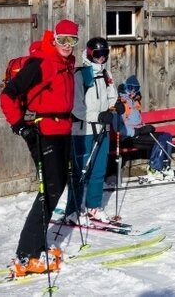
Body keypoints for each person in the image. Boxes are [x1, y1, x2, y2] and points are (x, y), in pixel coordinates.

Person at [0, 19, 79, 277]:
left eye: (72, 40)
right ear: (53, 38)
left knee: (56, 189)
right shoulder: (42, 63)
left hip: (63, 130)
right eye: (63, 39)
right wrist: (19, 125)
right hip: (44, 134)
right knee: (48, 192)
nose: (67, 45)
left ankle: (37, 246)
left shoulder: (66, 64)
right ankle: (27, 255)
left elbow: (57, 98)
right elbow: (8, 94)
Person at [64, 37, 118, 224]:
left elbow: (112, 95)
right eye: (97, 54)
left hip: (102, 129)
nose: (101, 58)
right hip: (83, 130)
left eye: (105, 54)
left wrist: (114, 106)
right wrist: (98, 116)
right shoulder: (81, 75)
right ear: (89, 53)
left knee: (99, 170)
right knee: (80, 172)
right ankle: (72, 210)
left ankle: (93, 207)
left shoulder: (106, 74)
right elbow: (76, 107)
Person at [116, 75, 175, 182]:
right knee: (159, 140)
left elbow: (137, 121)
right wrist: (138, 131)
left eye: (136, 89)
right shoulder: (120, 103)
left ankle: (164, 165)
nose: (133, 91)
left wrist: (146, 128)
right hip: (128, 138)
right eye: (130, 88)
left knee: (166, 136)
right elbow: (119, 128)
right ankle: (154, 168)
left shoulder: (134, 102)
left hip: (139, 134)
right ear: (125, 87)